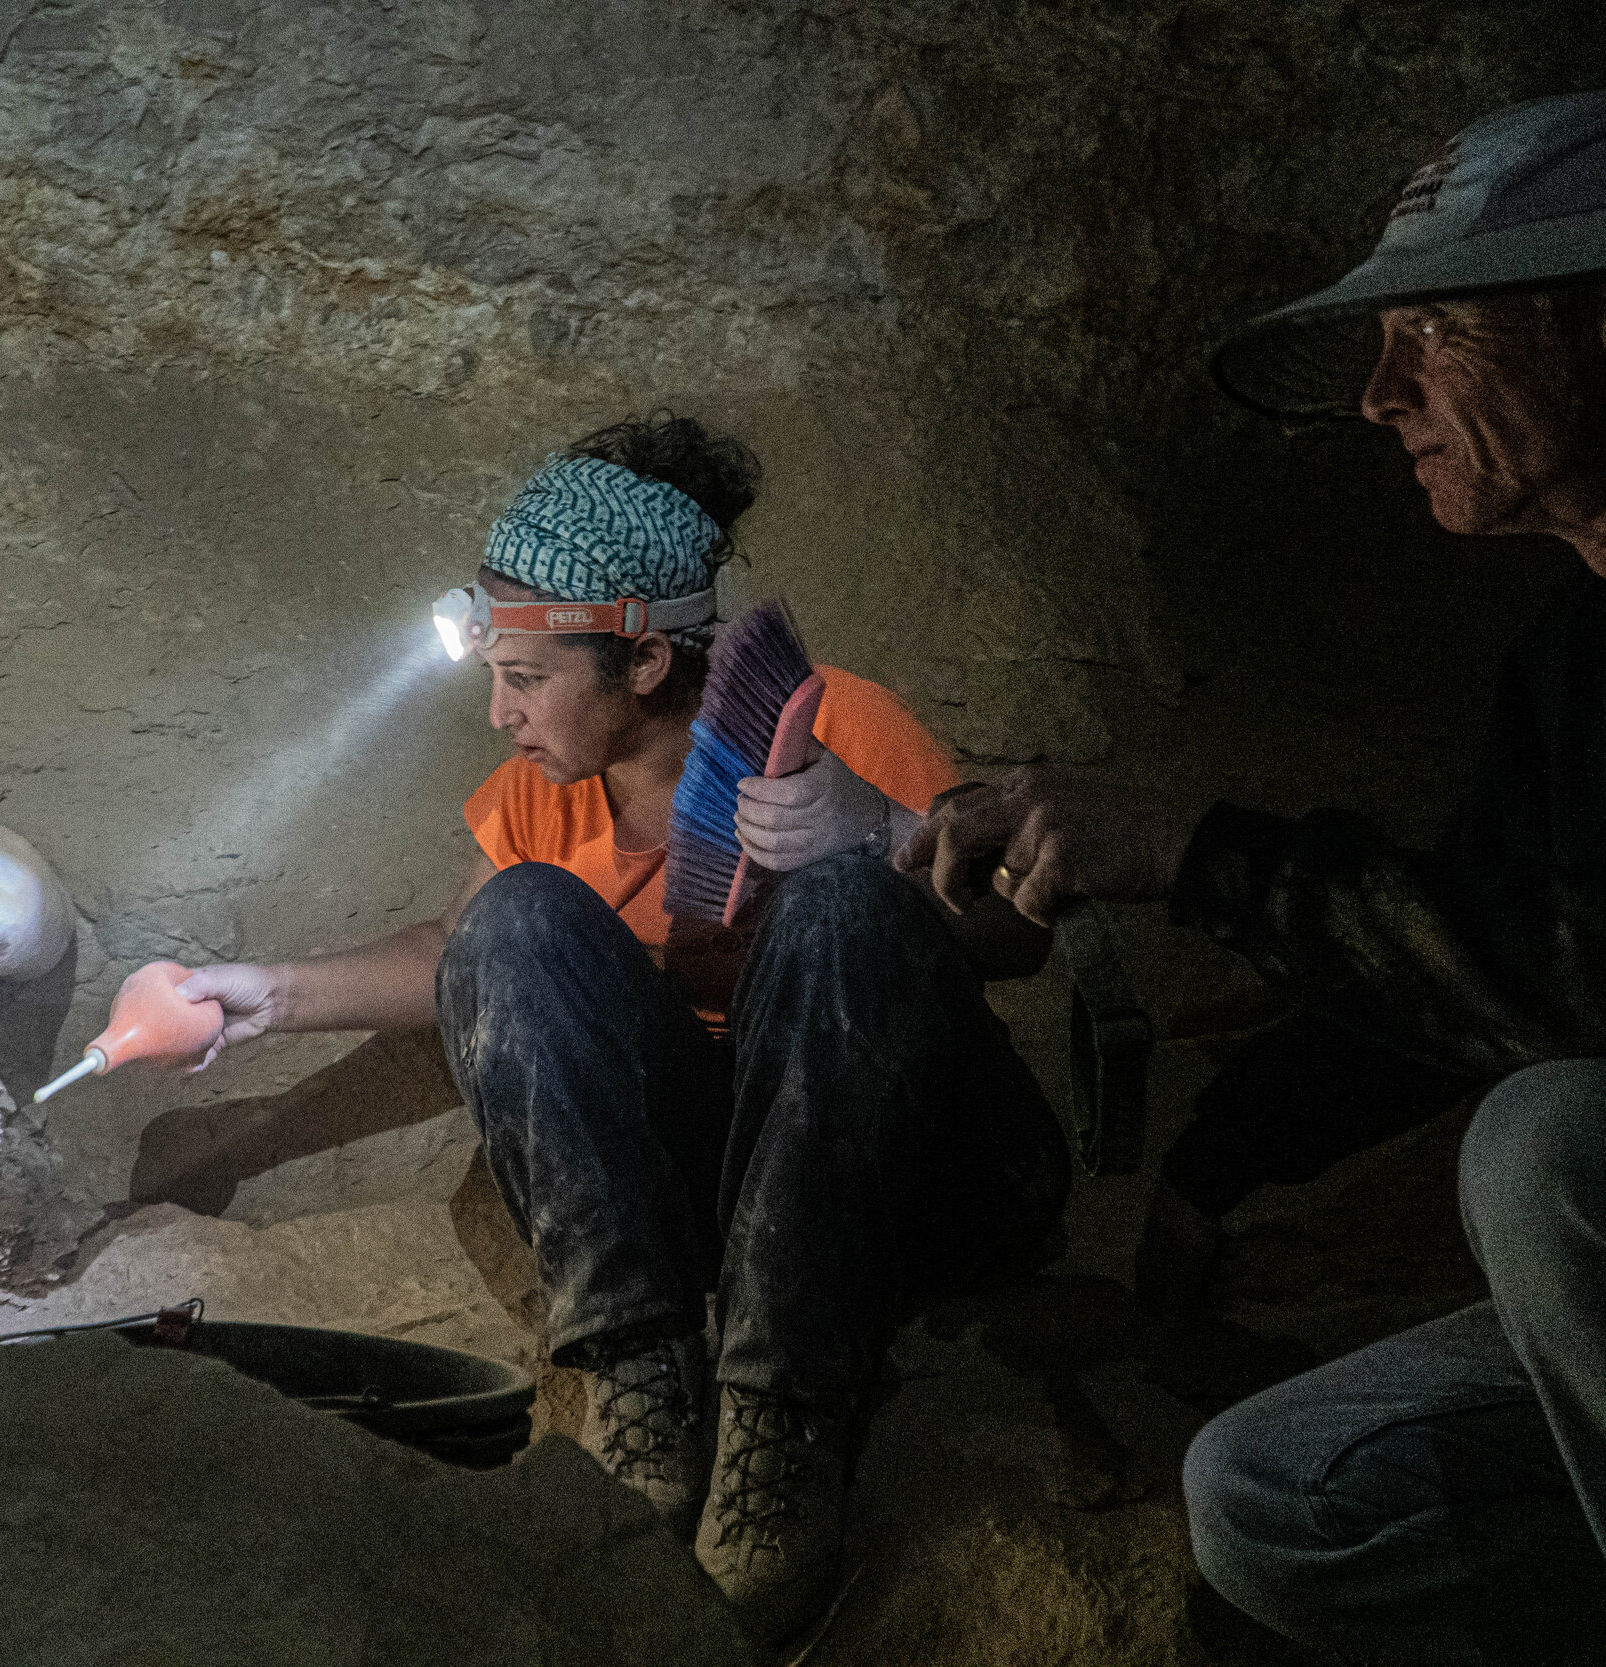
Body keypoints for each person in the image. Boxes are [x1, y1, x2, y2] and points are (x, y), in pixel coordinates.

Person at [900, 89, 1606, 1665]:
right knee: (1277, 1492)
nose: (1377, 396)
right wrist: (1222, 1155)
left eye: (1434, 333)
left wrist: (1189, 852)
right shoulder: (1581, 652)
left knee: (1563, 1151)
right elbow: (1467, 944)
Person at [177, 413, 1069, 1641]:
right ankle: (640, 1376)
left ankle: (784, 1416)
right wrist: (259, 993)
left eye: (526, 678)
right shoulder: (541, 801)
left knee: (838, 906)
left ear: (643, 663)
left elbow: (1021, 938)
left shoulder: (829, 720)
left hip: (929, 1176)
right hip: (732, 1191)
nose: (500, 712)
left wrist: (873, 837)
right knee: (514, 920)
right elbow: (455, 960)